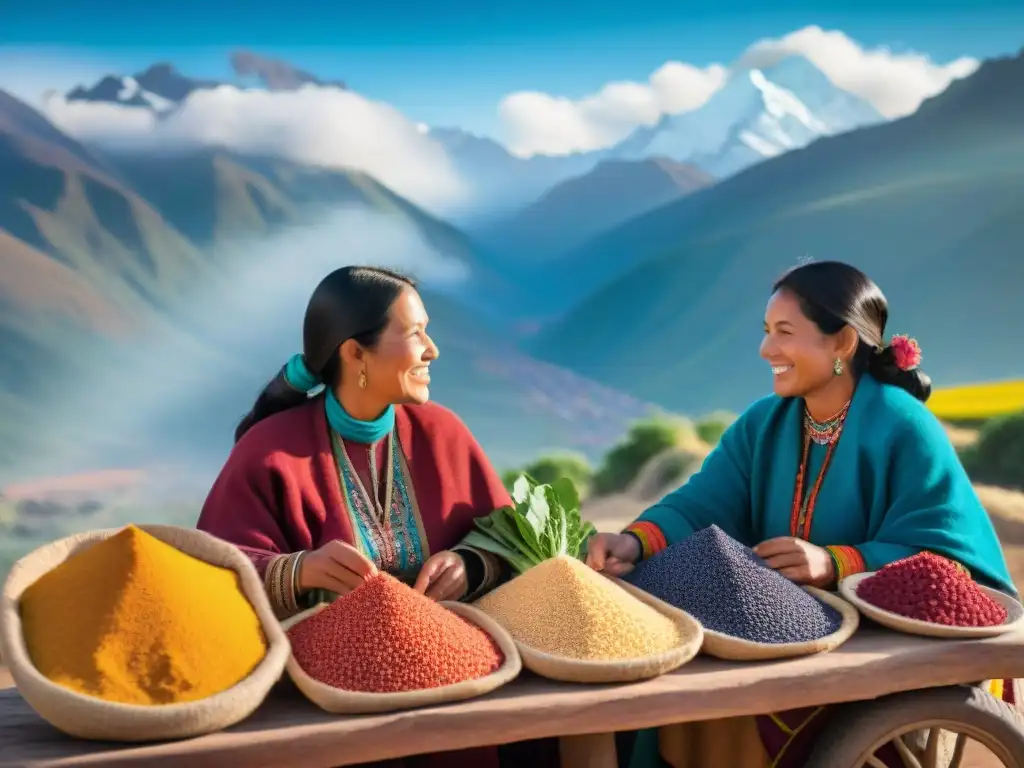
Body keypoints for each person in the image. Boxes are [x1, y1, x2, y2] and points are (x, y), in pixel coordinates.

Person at [586, 261, 1017, 768]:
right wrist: (636, 542)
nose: (767, 350)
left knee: (727, 697)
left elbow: (944, 557)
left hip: (876, 649)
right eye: (767, 332)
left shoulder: (903, 427)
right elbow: (704, 501)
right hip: (777, 632)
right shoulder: (763, 423)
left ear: (842, 344)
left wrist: (835, 563)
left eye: (784, 333)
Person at [198, 265, 559, 768]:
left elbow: (508, 536)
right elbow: (211, 573)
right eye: (415, 334)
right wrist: (298, 571)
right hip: (325, 713)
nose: (432, 350)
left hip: (457, 694)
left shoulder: (443, 433)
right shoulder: (269, 452)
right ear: (354, 353)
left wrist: (472, 564)